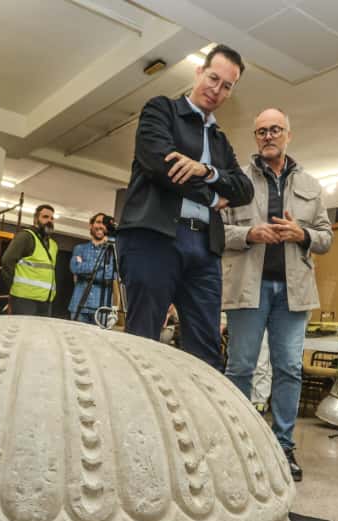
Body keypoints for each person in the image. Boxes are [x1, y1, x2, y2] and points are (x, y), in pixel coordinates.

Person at [116, 44, 254, 369]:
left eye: (227, 86)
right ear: (198, 72)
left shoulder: (220, 140)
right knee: (143, 341)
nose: (216, 89)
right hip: (154, 238)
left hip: (204, 249)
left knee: (206, 351)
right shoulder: (161, 110)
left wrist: (205, 170)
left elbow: (244, 188)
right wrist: (209, 196)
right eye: (213, 78)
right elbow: (160, 164)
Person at [222, 108, 333, 481]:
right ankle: (235, 443)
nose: (268, 136)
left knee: (289, 369)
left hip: (293, 292)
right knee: (240, 368)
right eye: (261, 131)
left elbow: (326, 237)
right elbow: (216, 231)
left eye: (275, 130)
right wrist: (248, 234)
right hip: (247, 289)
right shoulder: (236, 181)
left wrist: (302, 234)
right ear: (255, 138)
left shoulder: (312, 186)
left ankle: (283, 446)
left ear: (288, 135)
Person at [1, 204, 58, 317]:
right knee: (23, 332)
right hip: (24, 299)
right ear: (36, 219)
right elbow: (7, 261)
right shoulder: (26, 237)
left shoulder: (53, 245)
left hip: (45, 300)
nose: (49, 221)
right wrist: (13, 286)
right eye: (45, 217)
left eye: (52, 218)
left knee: (40, 334)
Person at [68, 212, 114, 324]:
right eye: (98, 222)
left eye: (104, 223)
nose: (101, 226)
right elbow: (75, 269)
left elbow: (110, 277)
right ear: (91, 225)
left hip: (102, 309)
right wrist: (102, 266)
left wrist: (84, 270)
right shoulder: (79, 249)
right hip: (79, 305)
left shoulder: (113, 252)